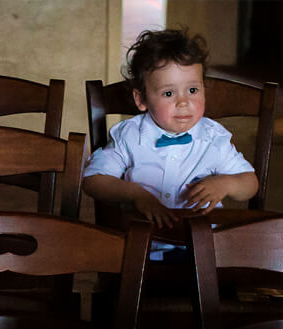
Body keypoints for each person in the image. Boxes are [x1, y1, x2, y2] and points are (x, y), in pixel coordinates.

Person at [82, 28, 259, 230]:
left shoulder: (214, 138)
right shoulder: (129, 136)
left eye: (193, 90)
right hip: (142, 244)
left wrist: (227, 184)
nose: (183, 102)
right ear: (141, 99)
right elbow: (92, 180)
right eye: (168, 93)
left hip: (204, 246)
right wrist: (135, 194)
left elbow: (250, 183)